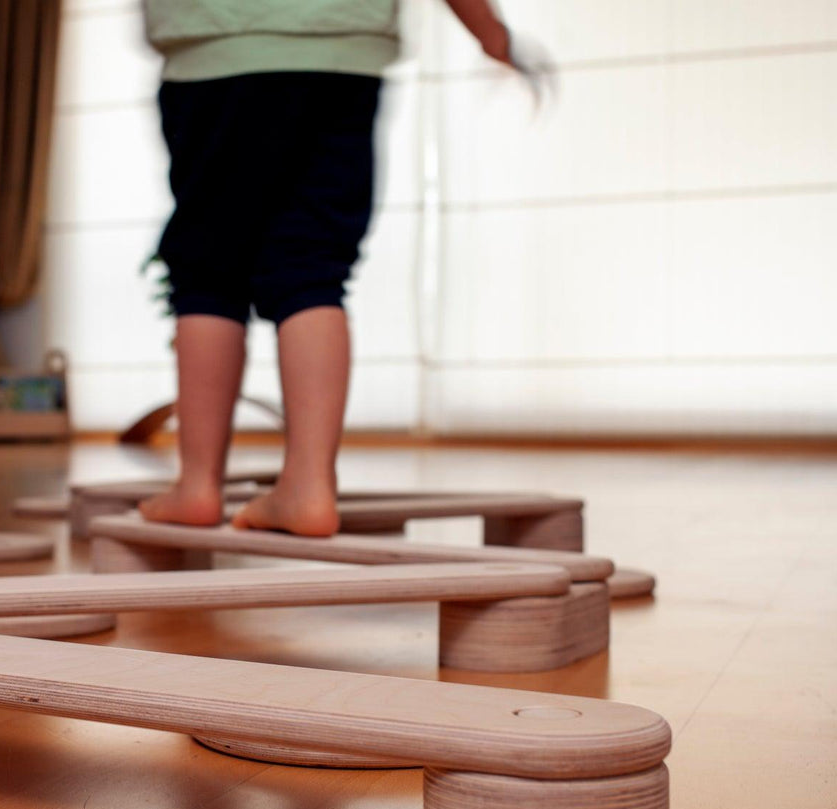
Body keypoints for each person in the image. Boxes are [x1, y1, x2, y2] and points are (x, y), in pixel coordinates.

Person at [138, 0, 544, 536]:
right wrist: (489, 31)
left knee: (209, 270)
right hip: (340, 51)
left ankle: (197, 485)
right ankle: (309, 485)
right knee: (311, 265)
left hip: (216, 48)